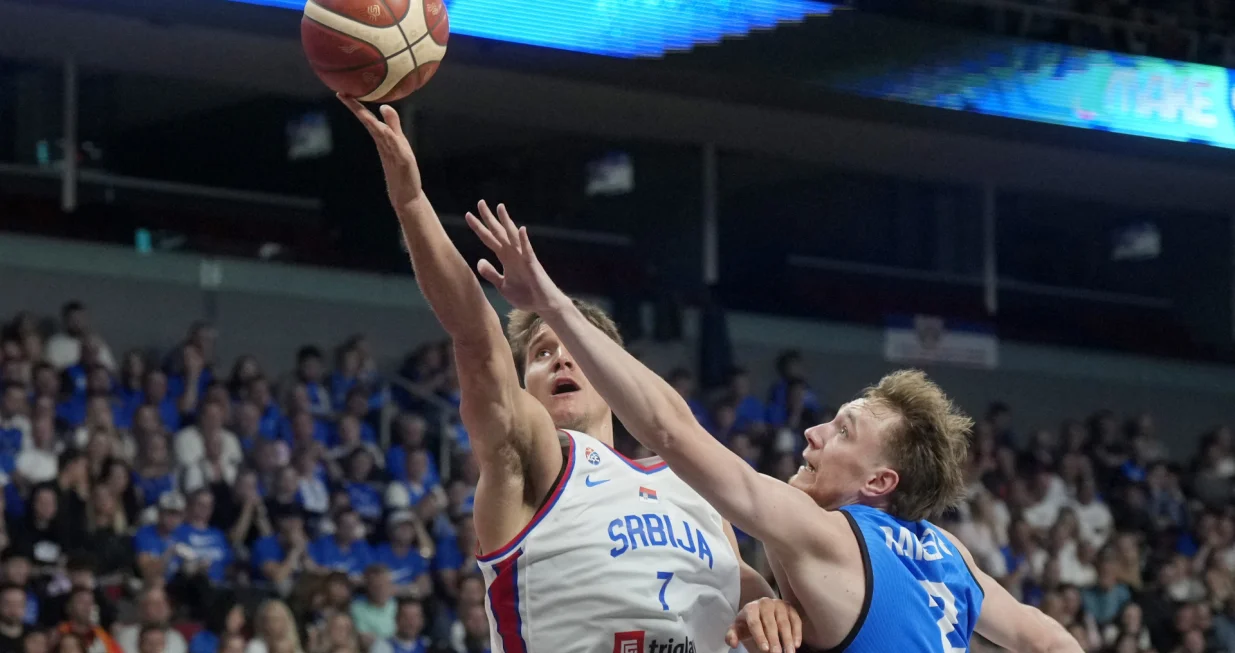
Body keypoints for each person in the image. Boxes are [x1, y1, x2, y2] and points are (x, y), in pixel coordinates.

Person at [460, 202, 1086, 653]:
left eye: (841, 432)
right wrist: (763, 600)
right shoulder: (949, 557)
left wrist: (553, 305)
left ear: (878, 480)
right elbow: (1047, 639)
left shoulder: (827, 535)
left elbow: (673, 433)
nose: (812, 435)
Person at [340, 95, 798, 653]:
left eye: (578, 351)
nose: (560, 359)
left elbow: (743, 591)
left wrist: (767, 604)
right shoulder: (536, 461)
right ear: (524, 385)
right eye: (540, 354)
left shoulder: (691, 482)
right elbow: (477, 340)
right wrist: (411, 201)